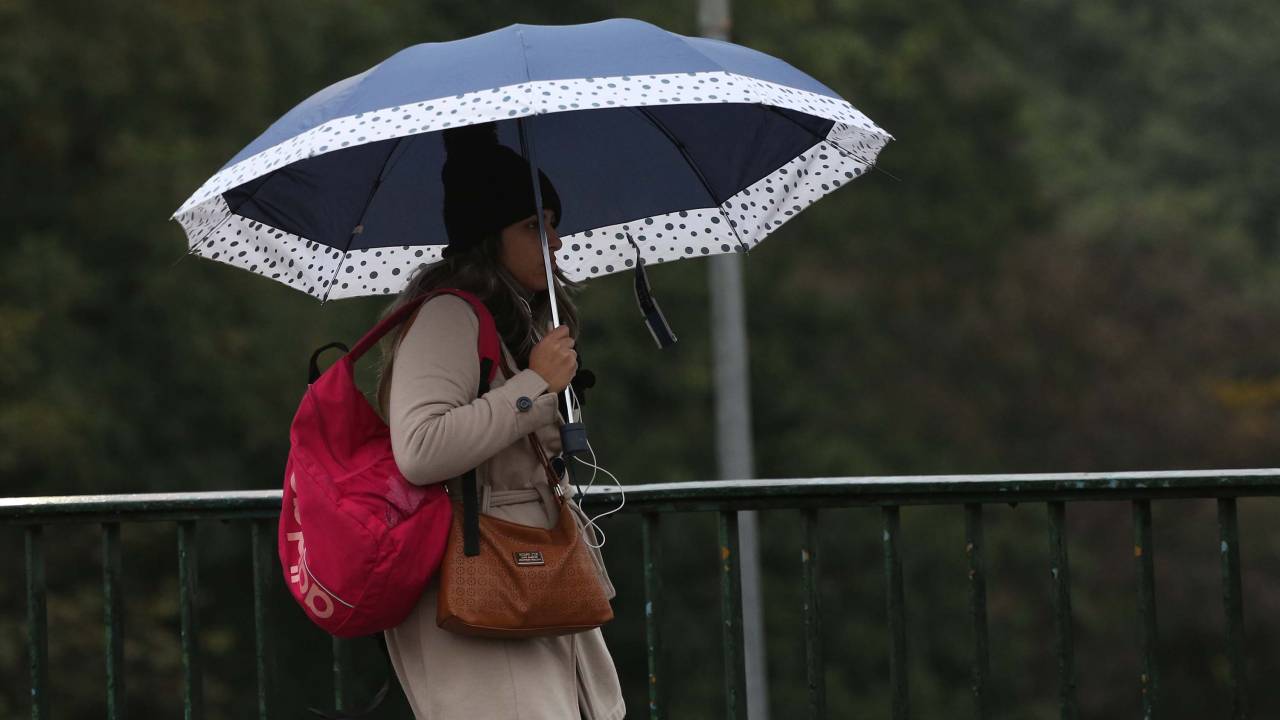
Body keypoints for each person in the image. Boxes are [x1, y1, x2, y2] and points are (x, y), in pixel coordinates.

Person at [375, 122, 625, 720]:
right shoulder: (447, 316)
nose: (554, 243)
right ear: (488, 236)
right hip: (481, 582)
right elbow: (420, 448)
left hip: (525, 577)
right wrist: (535, 385)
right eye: (532, 226)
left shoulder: (514, 316)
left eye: (553, 224)